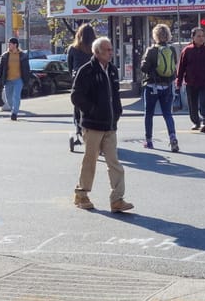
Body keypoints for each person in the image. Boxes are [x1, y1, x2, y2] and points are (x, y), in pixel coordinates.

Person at [70, 37, 134, 213]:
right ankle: (81, 195)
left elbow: (115, 95)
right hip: (93, 125)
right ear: (97, 52)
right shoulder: (87, 71)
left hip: (110, 124)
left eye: (111, 49)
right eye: (107, 50)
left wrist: (117, 112)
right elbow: (76, 96)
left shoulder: (112, 70)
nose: (111, 52)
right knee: (90, 161)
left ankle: (117, 199)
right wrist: (91, 110)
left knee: (114, 162)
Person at [140, 24, 179, 152]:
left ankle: (149, 140)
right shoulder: (172, 49)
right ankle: (172, 137)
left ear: (155, 36)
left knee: (149, 114)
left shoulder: (151, 50)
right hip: (167, 86)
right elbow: (174, 65)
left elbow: (143, 68)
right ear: (168, 35)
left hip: (152, 86)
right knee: (167, 114)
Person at [175, 27, 205, 133]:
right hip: (190, 82)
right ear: (193, 37)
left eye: (202, 36)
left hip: (204, 82)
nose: (201, 38)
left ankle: (204, 122)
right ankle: (196, 122)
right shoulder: (187, 50)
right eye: (198, 36)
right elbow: (181, 67)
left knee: (204, 102)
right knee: (192, 104)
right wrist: (179, 82)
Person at [66, 23, 97, 151]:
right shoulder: (95, 48)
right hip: (94, 81)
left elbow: (69, 67)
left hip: (78, 81)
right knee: (94, 105)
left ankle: (79, 130)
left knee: (78, 107)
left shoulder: (72, 49)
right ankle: (95, 130)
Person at [0, 37, 31, 121]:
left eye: (10, 44)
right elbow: (0, 69)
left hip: (18, 79)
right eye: (8, 44)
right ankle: (13, 109)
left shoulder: (23, 56)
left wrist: (27, 80)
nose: (8, 45)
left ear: (15, 45)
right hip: (8, 80)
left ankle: (14, 113)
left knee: (16, 96)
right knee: (9, 98)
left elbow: (27, 69)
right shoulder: (5, 56)